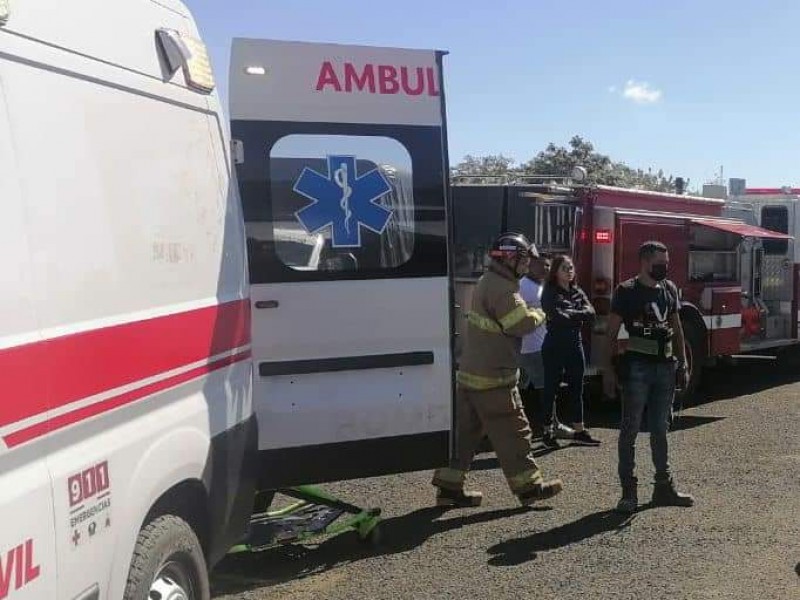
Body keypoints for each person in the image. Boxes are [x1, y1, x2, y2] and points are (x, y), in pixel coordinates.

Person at [431, 232, 564, 508]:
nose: (528, 265)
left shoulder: (488, 281)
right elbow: (520, 324)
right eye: (525, 259)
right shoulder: (504, 288)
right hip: (494, 377)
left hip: (471, 374)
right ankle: (529, 487)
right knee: (514, 430)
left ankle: (448, 488)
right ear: (511, 258)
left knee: (464, 433)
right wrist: (540, 312)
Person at [603, 240, 694, 514]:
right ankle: (629, 492)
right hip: (637, 369)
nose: (664, 268)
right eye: (659, 263)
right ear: (644, 262)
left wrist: (684, 364)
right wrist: (607, 371)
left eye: (666, 263)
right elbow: (610, 333)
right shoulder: (626, 291)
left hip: (665, 367)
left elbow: (676, 328)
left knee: (660, 428)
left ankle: (663, 487)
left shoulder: (669, 289)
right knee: (630, 429)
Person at [540, 255, 600, 448]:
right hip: (555, 344)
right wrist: (576, 314)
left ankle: (579, 430)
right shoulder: (549, 292)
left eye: (571, 267)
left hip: (575, 343)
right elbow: (557, 316)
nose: (569, 271)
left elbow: (591, 314)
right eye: (565, 268)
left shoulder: (577, 291)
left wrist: (572, 313)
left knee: (577, 387)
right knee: (551, 388)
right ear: (555, 272)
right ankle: (547, 431)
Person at [519, 255, 576, 440]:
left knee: (529, 389)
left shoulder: (541, 286)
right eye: (540, 265)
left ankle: (535, 426)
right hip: (531, 347)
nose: (545, 268)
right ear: (529, 266)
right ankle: (551, 427)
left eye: (547, 265)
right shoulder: (523, 287)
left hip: (541, 345)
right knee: (547, 388)